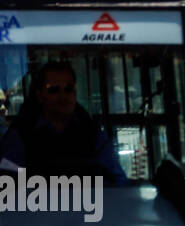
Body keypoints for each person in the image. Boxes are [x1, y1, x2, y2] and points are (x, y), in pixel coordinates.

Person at [0, 60, 128, 184]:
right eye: (53, 89)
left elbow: (118, 183)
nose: (63, 96)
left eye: (69, 88)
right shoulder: (21, 135)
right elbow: (7, 185)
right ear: (39, 95)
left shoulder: (93, 134)